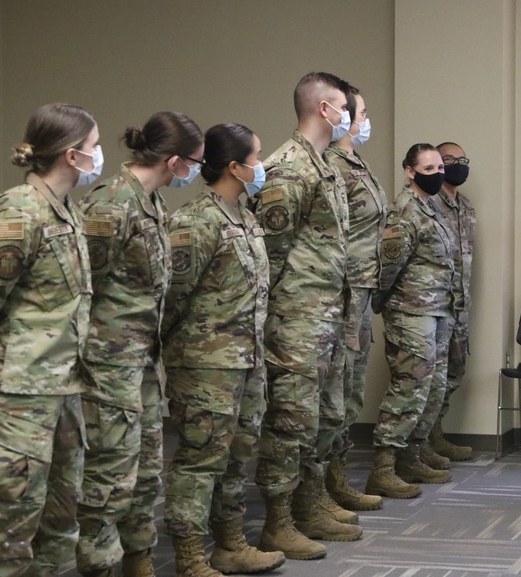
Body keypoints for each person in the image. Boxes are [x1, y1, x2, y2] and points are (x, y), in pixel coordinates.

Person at [0, 103, 98, 576]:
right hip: (16, 395)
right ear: (72, 156)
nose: (100, 157)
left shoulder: (65, 211)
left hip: (61, 391)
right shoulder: (19, 211)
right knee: (12, 527)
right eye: (94, 148)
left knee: (60, 523)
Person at [76, 111, 204, 577]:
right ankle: (98, 565)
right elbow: (80, 285)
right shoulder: (110, 204)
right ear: (174, 161)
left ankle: (138, 559)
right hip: (107, 365)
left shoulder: (151, 204)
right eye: (194, 162)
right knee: (108, 474)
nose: (195, 172)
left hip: (141, 362)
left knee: (145, 470)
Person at [161, 123, 285, 576]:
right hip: (205, 367)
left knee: (237, 454)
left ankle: (230, 543)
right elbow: (170, 299)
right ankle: (189, 554)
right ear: (234, 166)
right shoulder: (195, 222)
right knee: (199, 460)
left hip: (247, 361)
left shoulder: (245, 217)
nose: (263, 164)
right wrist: (186, 351)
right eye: (256, 155)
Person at [250, 71, 358, 561]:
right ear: (323, 109)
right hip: (295, 318)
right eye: (344, 107)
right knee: (291, 421)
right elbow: (268, 256)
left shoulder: (324, 165)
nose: (351, 116)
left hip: (326, 314)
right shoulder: (289, 168)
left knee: (323, 417)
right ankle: (278, 521)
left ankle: (310, 504)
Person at [365, 143, 455, 499]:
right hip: (410, 311)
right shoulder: (404, 212)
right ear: (410, 171)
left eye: (439, 168)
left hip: (436, 309)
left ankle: (412, 455)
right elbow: (388, 269)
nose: (437, 175)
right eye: (429, 169)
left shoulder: (432, 208)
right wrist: (386, 305)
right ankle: (383, 467)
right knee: (409, 386)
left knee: (431, 387)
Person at [324, 87, 389, 512]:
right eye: (361, 112)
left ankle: (336, 479)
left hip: (362, 294)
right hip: (343, 295)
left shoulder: (356, 163)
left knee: (349, 393)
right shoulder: (333, 166)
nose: (366, 120)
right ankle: (322, 487)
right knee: (335, 394)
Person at [429, 142, 476, 462]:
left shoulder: (467, 206)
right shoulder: (428, 204)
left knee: (453, 372)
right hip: (432, 304)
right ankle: (419, 444)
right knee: (426, 378)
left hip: (459, 303)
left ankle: (435, 433)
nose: (457, 165)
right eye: (449, 160)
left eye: (462, 160)